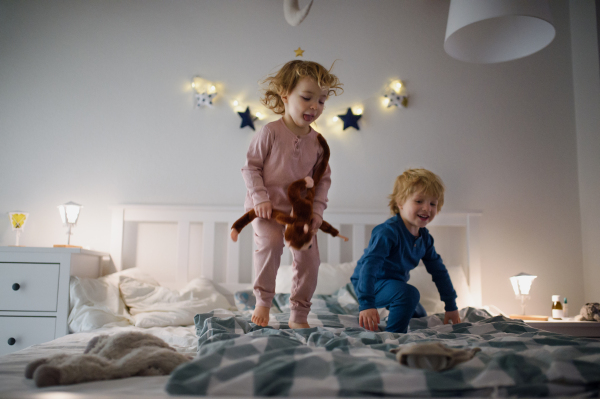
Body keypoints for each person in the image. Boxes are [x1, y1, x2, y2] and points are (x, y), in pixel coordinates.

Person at [239, 60, 343, 329]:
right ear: (285, 96)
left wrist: (318, 211)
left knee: (310, 259)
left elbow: (323, 180)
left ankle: (299, 313)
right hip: (268, 209)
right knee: (271, 244)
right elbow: (251, 167)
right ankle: (263, 301)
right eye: (307, 98)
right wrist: (260, 198)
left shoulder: (318, 143)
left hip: (300, 214)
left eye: (321, 101)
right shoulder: (270, 132)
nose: (314, 107)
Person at [351, 168, 461, 333]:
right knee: (409, 294)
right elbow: (370, 266)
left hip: (394, 285)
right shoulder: (387, 232)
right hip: (369, 283)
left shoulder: (425, 239)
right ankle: (394, 337)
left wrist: (451, 306)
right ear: (400, 203)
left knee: (419, 313)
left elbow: (439, 271)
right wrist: (366, 303)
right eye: (419, 201)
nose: (427, 208)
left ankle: (398, 311)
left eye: (433, 203)